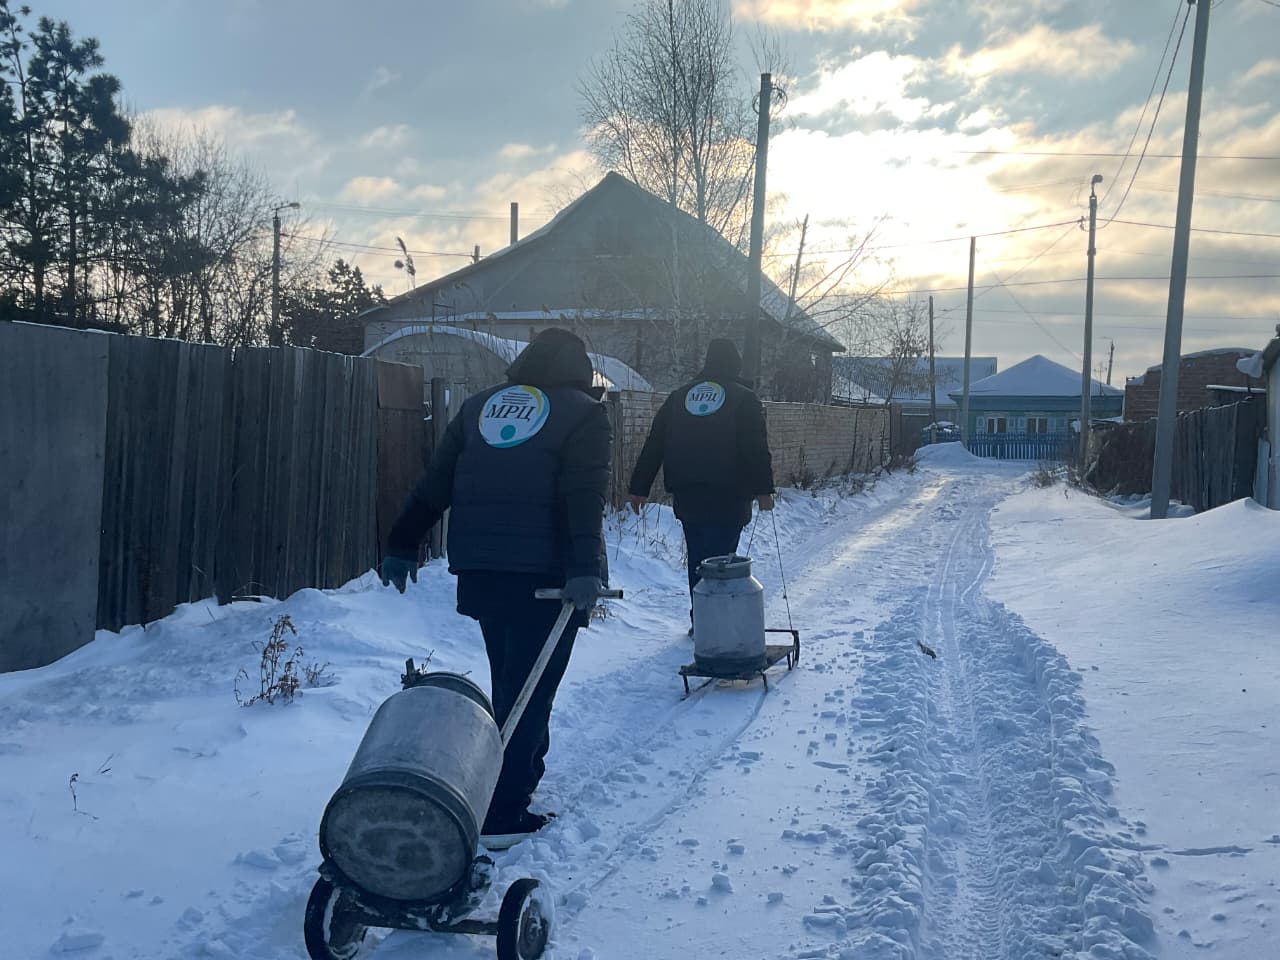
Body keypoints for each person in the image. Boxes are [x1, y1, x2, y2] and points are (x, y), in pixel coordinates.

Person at [379, 328, 611, 843]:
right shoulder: (583, 413)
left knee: (510, 679)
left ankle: (502, 778)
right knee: (529, 690)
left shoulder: (480, 407)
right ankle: (502, 806)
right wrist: (584, 568)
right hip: (545, 576)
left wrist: (402, 541)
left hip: (481, 567)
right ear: (578, 368)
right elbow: (583, 496)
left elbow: (435, 481)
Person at [627, 338, 775, 624]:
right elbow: (755, 447)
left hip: (688, 491)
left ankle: (702, 618)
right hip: (730, 494)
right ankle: (717, 621)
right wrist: (763, 490)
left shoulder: (679, 397)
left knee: (698, 557)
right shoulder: (744, 398)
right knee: (722, 557)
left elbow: (654, 442)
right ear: (736, 364)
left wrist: (638, 487)